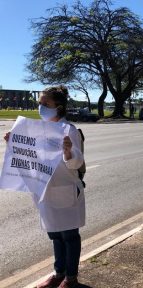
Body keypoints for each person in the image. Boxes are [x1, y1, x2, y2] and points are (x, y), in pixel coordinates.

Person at [4, 86, 85, 288]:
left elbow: (77, 164)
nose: (41, 107)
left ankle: (71, 279)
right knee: (55, 235)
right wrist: (13, 144)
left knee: (69, 236)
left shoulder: (69, 130)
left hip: (65, 188)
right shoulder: (35, 130)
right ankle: (59, 273)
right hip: (44, 190)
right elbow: (30, 158)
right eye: (39, 103)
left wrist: (67, 152)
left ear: (58, 107)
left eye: (45, 104)